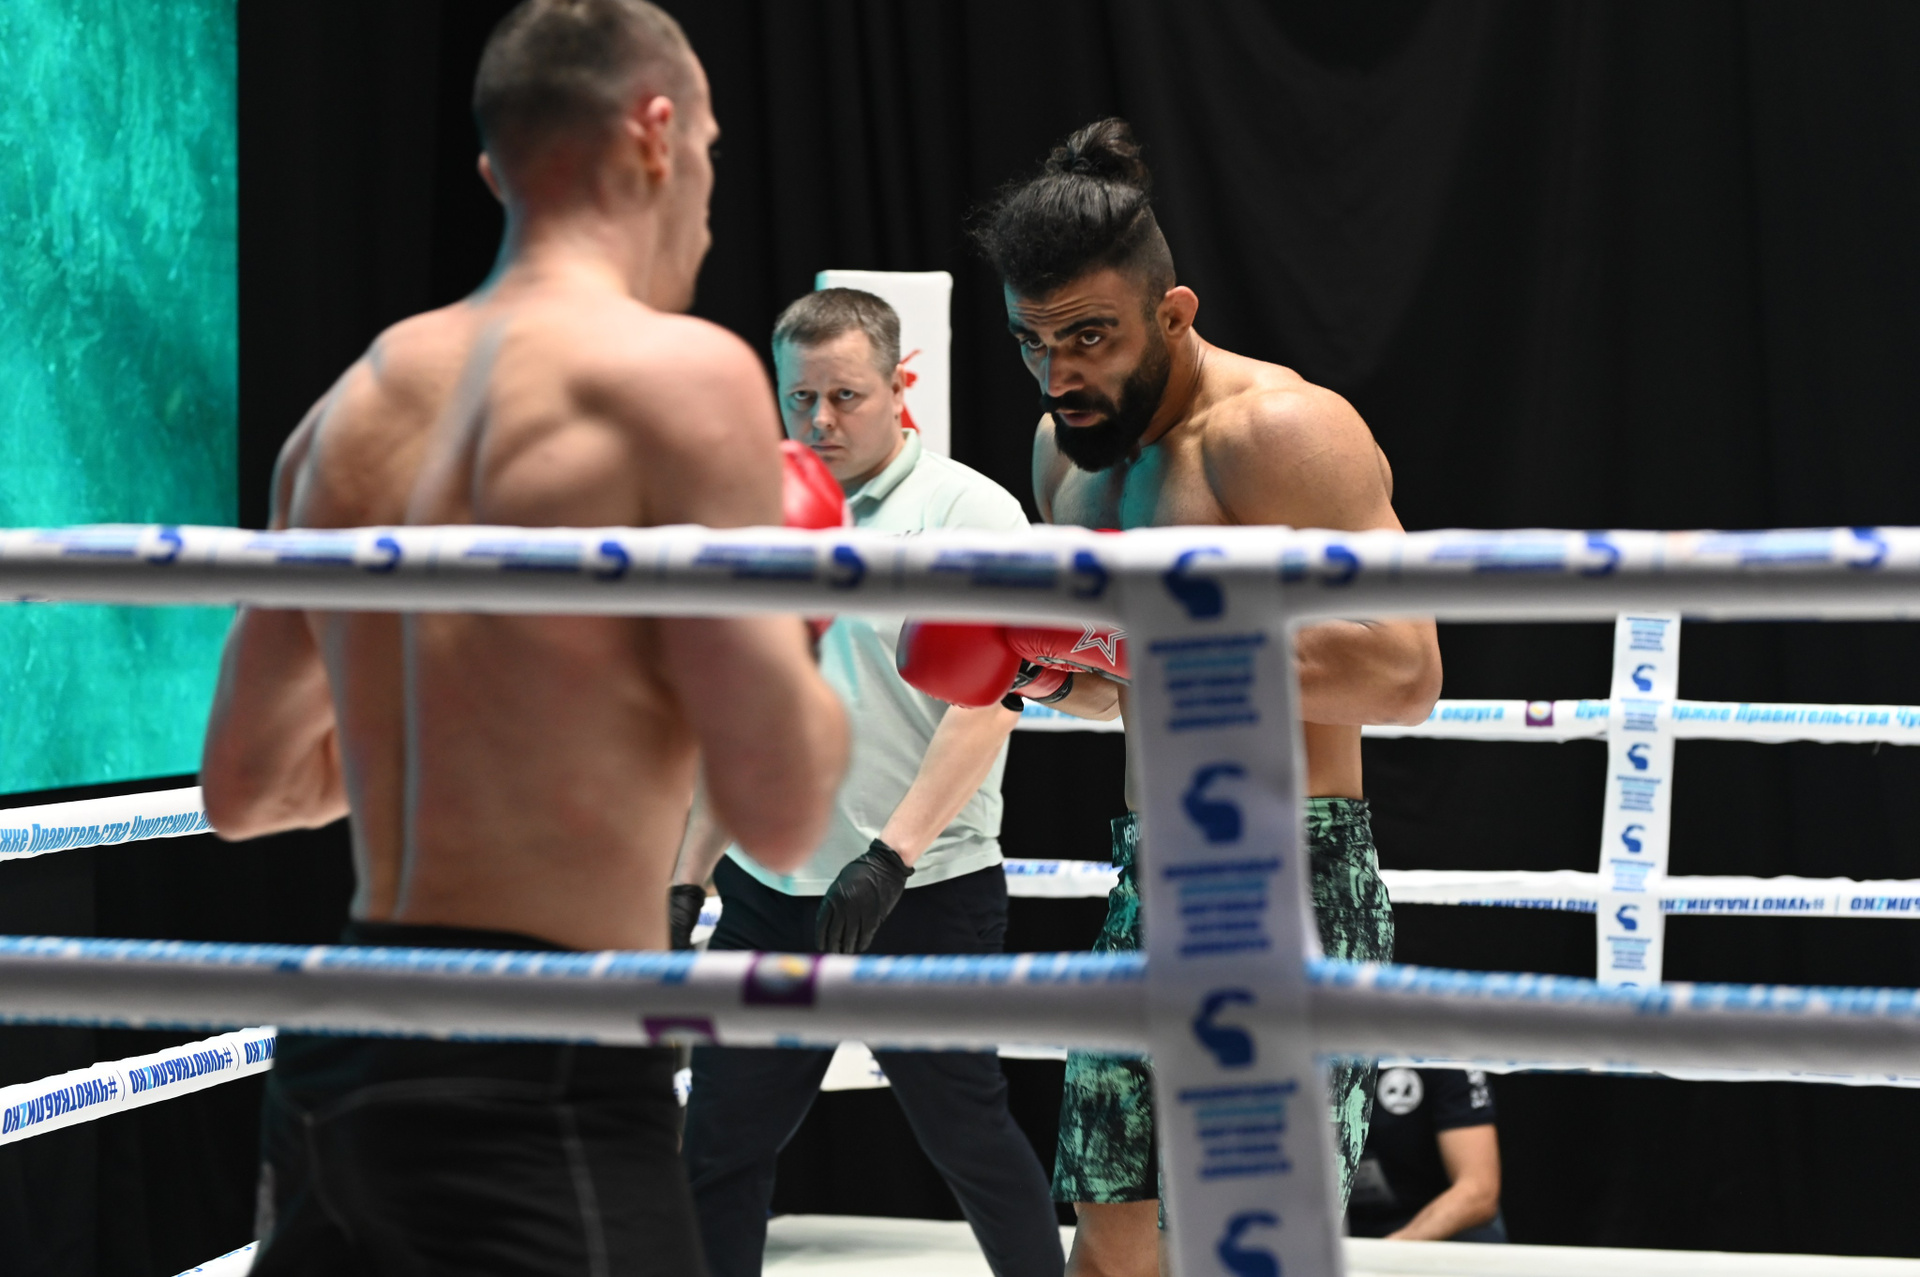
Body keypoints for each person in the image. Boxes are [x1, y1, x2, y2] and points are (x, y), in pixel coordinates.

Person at [197, 3, 848, 1273]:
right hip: (543, 1053)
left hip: (342, 1044)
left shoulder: (348, 409)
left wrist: (472, 733)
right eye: (711, 148)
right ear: (654, 133)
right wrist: (799, 610)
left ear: (501, 168)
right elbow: (778, 811)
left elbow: (246, 787)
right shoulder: (681, 378)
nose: (713, 202)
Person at [942, 118, 1444, 1277]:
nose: (1060, 374)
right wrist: (1044, 668)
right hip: (1150, 862)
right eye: (1032, 342)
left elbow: (1406, 670)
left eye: (1090, 336)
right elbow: (1127, 688)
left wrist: (1151, 634)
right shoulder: (1066, 452)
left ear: (1173, 314)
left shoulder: (1283, 431)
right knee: (1110, 1250)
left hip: (1289, 867)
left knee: (1245, 1248)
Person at [676, 288, 1065, 1277]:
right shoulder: (758, 514)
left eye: (844, 395)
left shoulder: (971, 513)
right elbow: (744, 711)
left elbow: (992, 703)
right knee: (716, 1145)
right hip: (772, 890)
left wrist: (891, 857)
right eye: (799, 397)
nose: (820, 420)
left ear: (901, 385)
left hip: (928, 888)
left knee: (969, 1138)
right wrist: (686, 874)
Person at [1346, 1068, 1506, 1243]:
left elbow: (1478, 1192)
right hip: (1338, 1221)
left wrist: (1392, 1249)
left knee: (1479, 1243)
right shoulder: (1326, 1066)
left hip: (1428, 1220)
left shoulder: (1446, 1063)